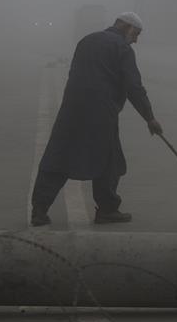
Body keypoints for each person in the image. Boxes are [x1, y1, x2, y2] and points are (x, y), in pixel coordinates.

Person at [30, 12, 163, 226]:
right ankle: (108, 210)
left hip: (72, 108)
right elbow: (133, 87)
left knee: (59, 156)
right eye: (136, 34)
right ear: (125, 26)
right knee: (110, 160)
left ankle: (39, 210)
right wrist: (150, 117)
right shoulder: (122, 48)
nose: (136, 40)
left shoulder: (86, 40)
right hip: (101, 111)